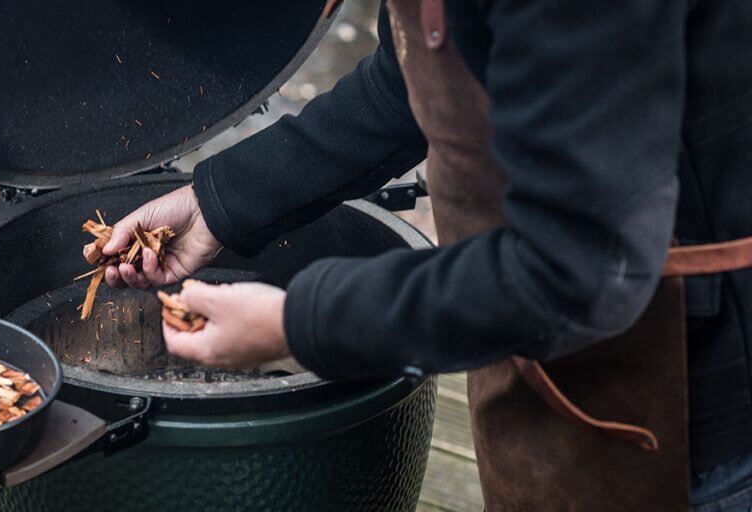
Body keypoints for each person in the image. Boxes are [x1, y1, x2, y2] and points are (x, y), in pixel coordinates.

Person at [96, 2, 752, 510]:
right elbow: (409, 81)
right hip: (540, 346)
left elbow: (579, 267)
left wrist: (298, 326)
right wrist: (217, 205)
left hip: (697, 416)